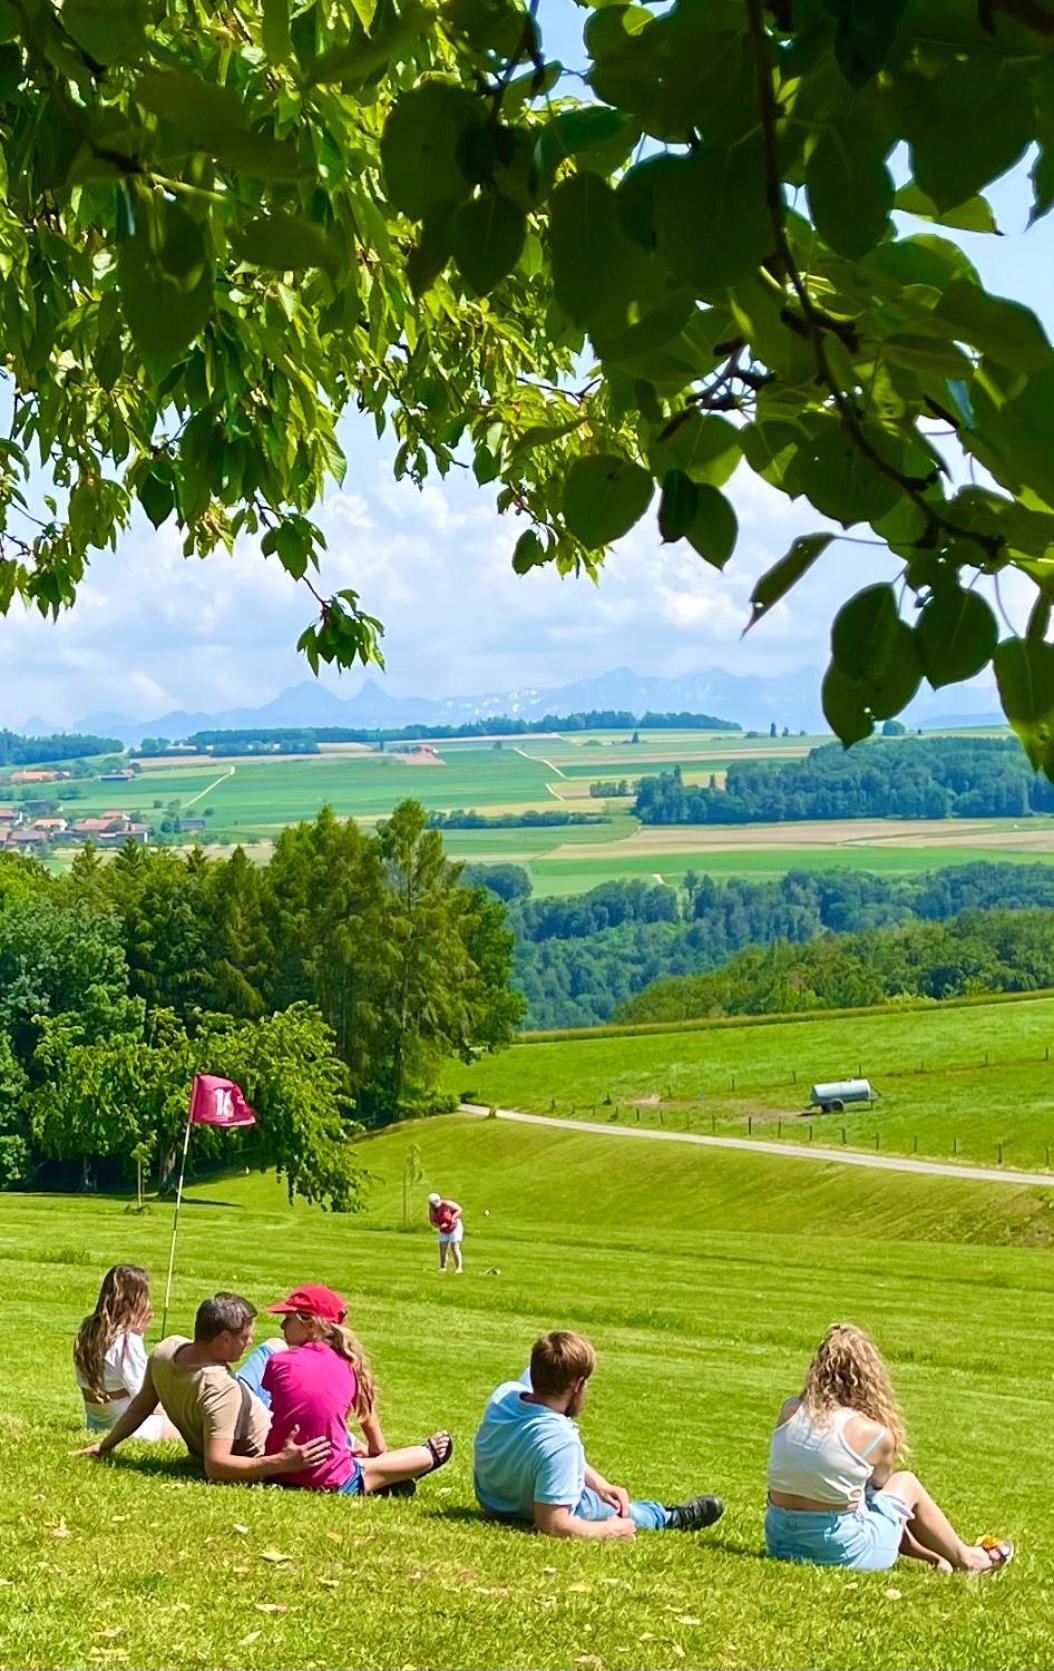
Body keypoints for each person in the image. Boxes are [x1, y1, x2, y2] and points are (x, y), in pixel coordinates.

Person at [765, 1322, 1014, 1574]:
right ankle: (970, 1559)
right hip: (837, 1551)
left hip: (780, 1541)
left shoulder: (789, 1410)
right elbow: (878, 1492)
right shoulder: (874, 1435)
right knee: (905, 1483)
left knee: (869, 1501)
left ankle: (937, 1558)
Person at [473, 1329, 724, 1540]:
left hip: (494, 1498)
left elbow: (547, 1449)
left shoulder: (504, 1395)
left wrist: (601, 1484)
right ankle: (666, 1517)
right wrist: (608, 1529)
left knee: (600, 1494)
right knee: (616, 1510)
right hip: (522, 1508)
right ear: (579, 1385)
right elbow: (552, 1522)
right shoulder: (561, 1441)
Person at [74, 1291, 330, 1484]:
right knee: (352, 1453)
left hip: (247, 1406)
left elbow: (140, 1405)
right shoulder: (222, 1390)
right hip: (274, 1441)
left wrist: (105, 1445)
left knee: (274, 1345)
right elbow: (216, 1466)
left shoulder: (166, 1350)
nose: (250, 1342)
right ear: (224, 1338)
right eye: (244, 1337)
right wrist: (281, 1462)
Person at [260, 1283, 454, 1494]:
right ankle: (410, 1465)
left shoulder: (278, 1361)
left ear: (311, 1323)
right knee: (421, 1455)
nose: (282, 1326)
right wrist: (367, 1451)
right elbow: (378, 1447)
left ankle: (388, 1479)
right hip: (329, 1480)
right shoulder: (349, 1365)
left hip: (277, 1470)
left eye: (288, 1319)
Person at [73, 1265, 180, 1442]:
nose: (149, 1304)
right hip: (126, 1427)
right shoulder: (125, 1342)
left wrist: (138, 1335)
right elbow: (146, 1394)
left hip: (96, 1422)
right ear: (133, 1300)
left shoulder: (89, 1330)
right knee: (195, 1432)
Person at [428, 1190, 464, 1273]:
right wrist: (439, 1226)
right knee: (442, 1247)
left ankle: (459, 1268)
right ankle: (443, 1267)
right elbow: (432, 1221)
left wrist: (452, 1218)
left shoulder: (446, 1204)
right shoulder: (432, 1210)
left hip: (455, 1227)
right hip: (444, 1229)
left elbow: (459, 1209)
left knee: (454, 1247)